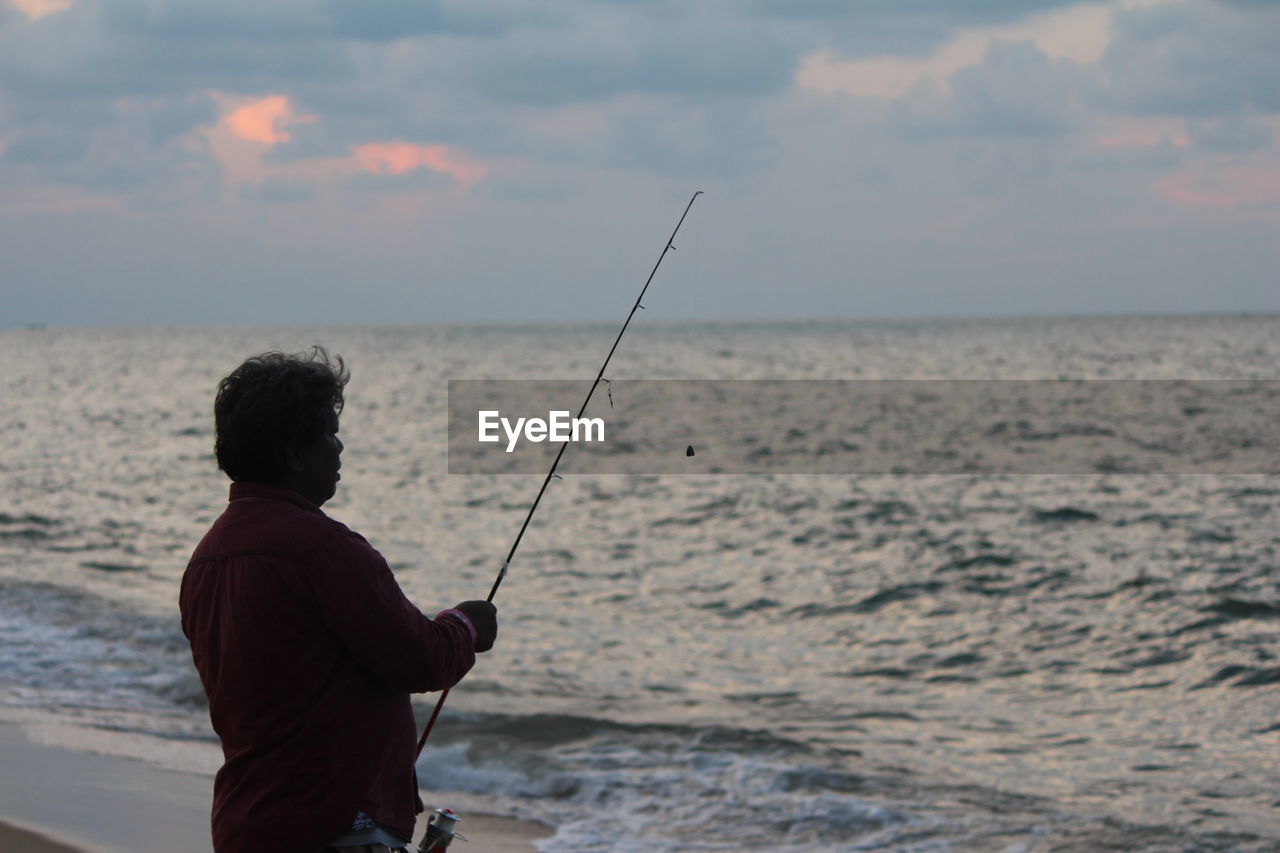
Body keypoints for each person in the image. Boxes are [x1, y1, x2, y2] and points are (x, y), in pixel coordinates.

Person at [180, 348, 497, 853]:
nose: (340, 445)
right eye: (328, 432)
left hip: (248, 825)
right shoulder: (322, 548)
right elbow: (422, 659)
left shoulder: (206, 558)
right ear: (295, 453)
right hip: (330, 829)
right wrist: (466, 625)